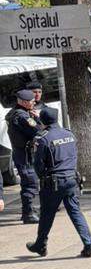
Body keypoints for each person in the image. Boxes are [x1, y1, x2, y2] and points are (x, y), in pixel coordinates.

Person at [26, 106, 91, 259]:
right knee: (75, 212)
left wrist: (44, 177)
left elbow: (38, 164)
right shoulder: (69, 134)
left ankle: (40, 245)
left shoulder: (43, 138)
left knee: (46, 215)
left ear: (43, 121)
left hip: (53, 182)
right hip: (71, 179)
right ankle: (89, 243)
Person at [6, 87, 44, 224]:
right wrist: (39, 119)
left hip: (23, 153)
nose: (34, 102)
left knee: (29, 182)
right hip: (25, 155)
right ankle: (28, 213)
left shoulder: (16, 113)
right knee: (30, 182)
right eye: (32, 101)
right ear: (23, 102)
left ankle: (28, 211)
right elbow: (38, 131)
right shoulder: (22, 116)